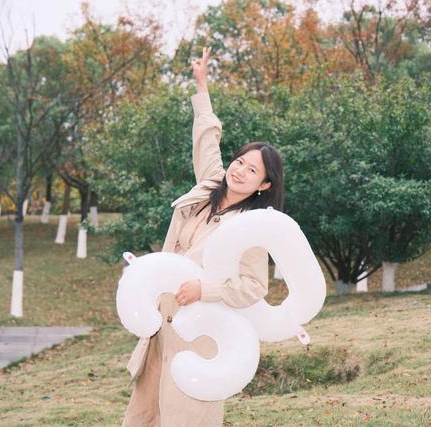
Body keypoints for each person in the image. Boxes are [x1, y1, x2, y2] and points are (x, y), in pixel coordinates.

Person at [122, 47, 285, 426]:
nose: (240, 170)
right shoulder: (208, 186)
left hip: (201, 332)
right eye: (240, 161)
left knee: (186, 415)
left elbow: (254, 287)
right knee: (145, 413)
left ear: (264, 184)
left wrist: (204, 289)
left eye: (252, 170)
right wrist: (202, 85)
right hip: (162, 321)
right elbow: (207, 137)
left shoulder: (251, 226)